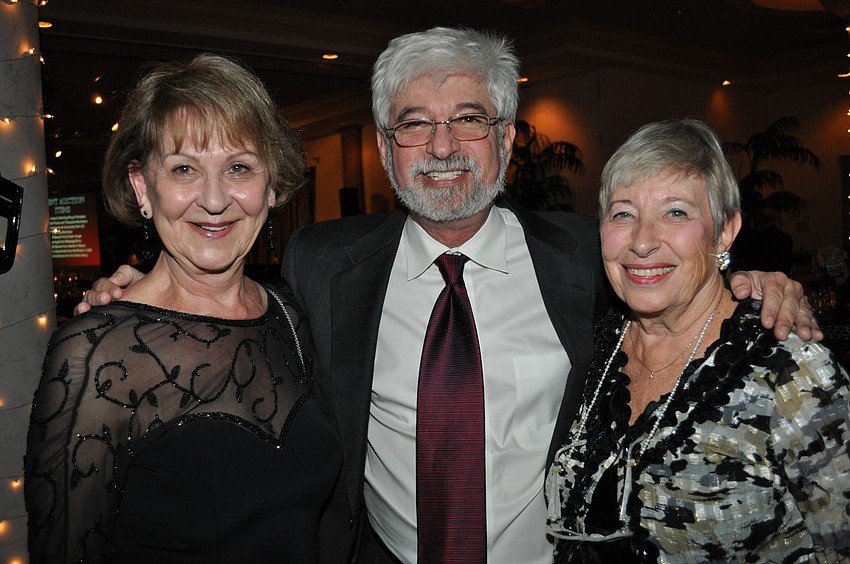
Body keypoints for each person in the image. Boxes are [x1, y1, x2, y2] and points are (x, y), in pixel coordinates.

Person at [78, 29, 818, 564]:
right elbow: (228, 320)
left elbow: (676, 275)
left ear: (504, 138)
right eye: (414, 124)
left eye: (467, 119)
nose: (440, 148)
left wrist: (752, 285)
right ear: (382, 146)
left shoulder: (588, 257)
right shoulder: (321, 263)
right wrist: (141, 297)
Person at [25, 53, 341, 563]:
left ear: (272, 185)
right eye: (184, 170)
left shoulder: (288, 315)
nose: (214, 200)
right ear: (142, 187)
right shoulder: (96, 351)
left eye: (238, 167)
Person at [546, 119, 850, 562]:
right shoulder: (590, 342)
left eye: (676, 212)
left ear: (725, 231)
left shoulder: (793, 373)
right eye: (623, 213)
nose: (643, 242)